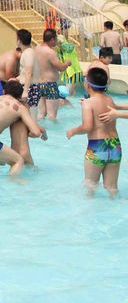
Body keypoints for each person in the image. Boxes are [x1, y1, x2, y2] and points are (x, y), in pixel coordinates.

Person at [66, 67, 121, 197]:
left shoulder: (88, 103)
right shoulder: (110, 100)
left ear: (87, 85)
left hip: (97, 147)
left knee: (90, 187)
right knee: (112, 188)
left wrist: (73, 131)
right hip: (115, 146)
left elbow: (87, 127)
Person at [36, 29, 71, 121]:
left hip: (39, 84)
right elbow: (60, 67)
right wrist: (67, 63)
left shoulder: (37, 48)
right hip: (50, 85)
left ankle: (40, 128)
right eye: (56, 39)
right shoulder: (50, 52)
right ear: (52, 39)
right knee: (52, 115)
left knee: (41, 114)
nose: (56, 41)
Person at [16, 29, 40, 117]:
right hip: (31, 87)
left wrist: (25, 91)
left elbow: (29, 71)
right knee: (28, 116)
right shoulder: (29, 52)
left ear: (19, 41)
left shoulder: (28, 53)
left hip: (30, 88)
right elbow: (25, 72)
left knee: (30, 117)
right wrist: (16, 78)